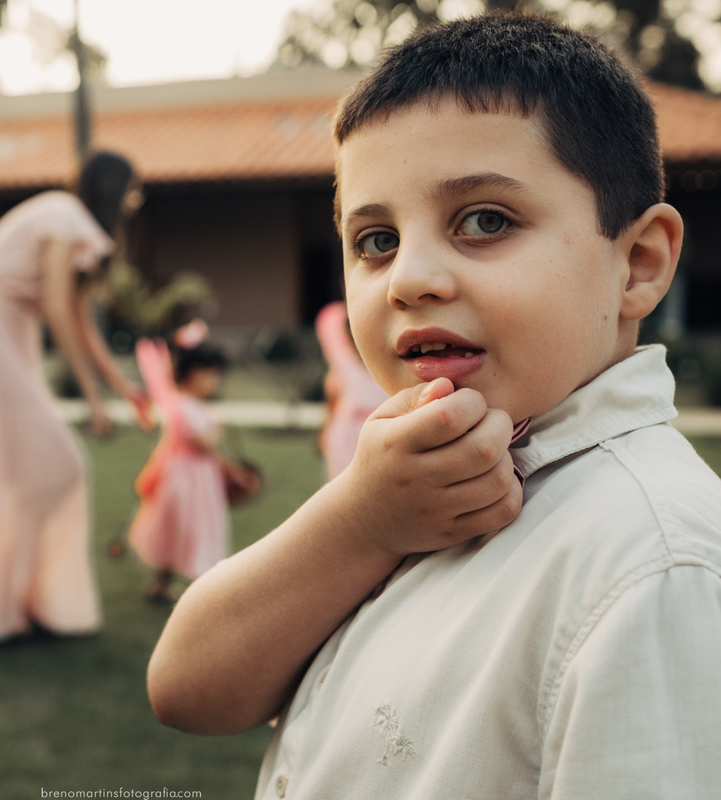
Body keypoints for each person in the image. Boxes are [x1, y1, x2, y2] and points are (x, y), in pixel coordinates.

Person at [146, 14, 721, 799]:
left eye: (485, 221)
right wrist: (358, 521)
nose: (408, 278)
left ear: (639, 265)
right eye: (375, 240)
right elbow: (186, 690)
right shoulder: (403, 483)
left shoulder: (656, 568)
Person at [0, 151, 152, 642]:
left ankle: (24, 598)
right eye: (133, 187)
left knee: (35, 471)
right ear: (114, 188)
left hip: (10, 322)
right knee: (50, 465)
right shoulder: (64, 217)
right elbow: (58, 311)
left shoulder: (77, 229)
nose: (137, 198)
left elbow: (80, 320)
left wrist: (123, 388)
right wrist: (92, 398)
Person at [128, 323, 232, 603]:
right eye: (211, 374)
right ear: (192, 374)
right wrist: (217, 430)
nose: (215, 381)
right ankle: (201, 590)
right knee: (191, 528)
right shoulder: (185, 407)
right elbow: (204, 444)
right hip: (189, 482)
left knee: (175, 528)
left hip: (186, 477)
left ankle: (162, 584)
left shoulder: (182, 404)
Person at [315, 300, 386, 478]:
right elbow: (333, 397)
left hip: (381, 427)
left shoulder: (385, 361)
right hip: (348, 428)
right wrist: (325, 429)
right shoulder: (344, 362)